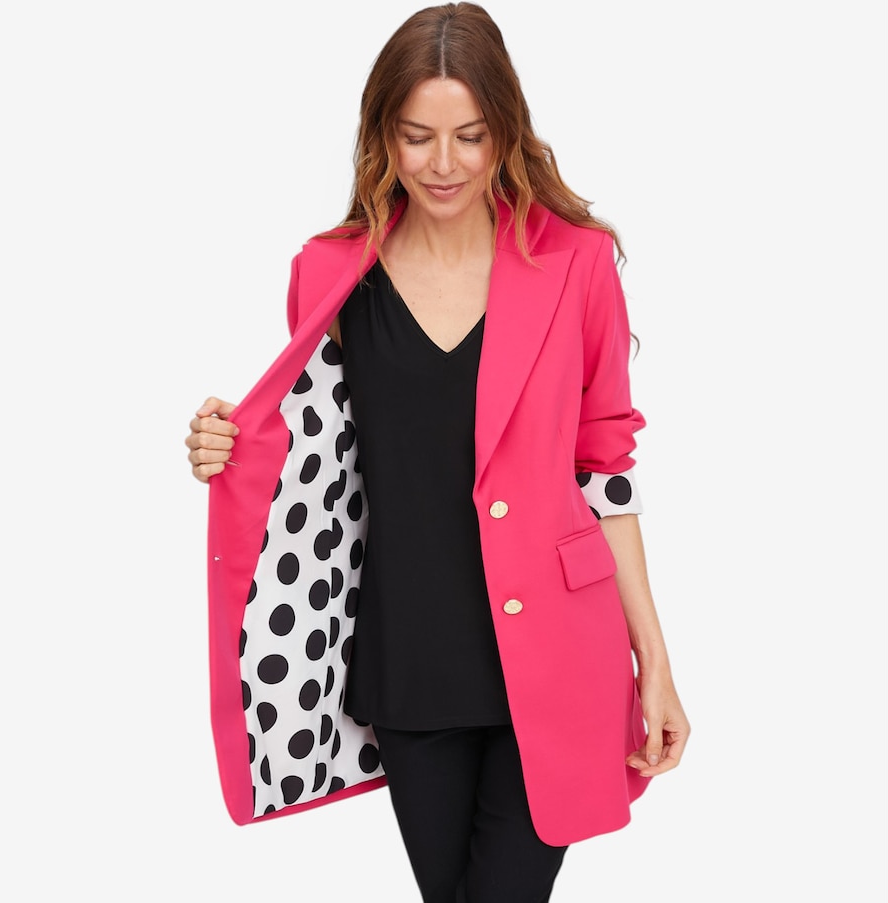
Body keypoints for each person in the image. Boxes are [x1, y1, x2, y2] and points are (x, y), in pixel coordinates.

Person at [184, 4, 689, 900]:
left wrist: (655, 661)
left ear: (507, 133)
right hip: (410, 657)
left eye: (471, 136)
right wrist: (224, 440)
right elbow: (309, 447)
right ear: (384, 136)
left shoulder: (577, 263)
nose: (444, 163)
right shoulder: (327, 272)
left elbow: (606, 469)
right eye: (418, 137)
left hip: (558, 655)